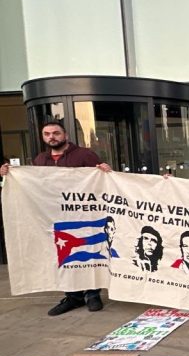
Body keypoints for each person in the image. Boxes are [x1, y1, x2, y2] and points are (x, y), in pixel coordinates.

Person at [0, 119, 111, 315]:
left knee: (90, 251)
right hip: (55, 218)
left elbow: (102, 181)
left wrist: (104, 170)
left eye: (56, 133)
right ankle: (73, 296)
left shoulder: (84, 155)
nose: (52, 137)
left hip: (85, 215)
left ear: (65, 135)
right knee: (63, 255)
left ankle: (93, 294)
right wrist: (9, 174)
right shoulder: (40, 160)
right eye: (47, 134)